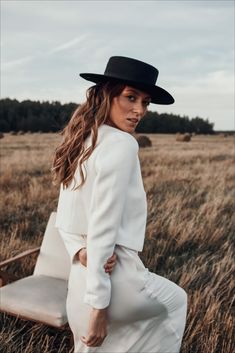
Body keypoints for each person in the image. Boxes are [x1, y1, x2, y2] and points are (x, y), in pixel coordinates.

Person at [52, 56, 188, 353]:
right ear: (106, 93)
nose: (139, 110)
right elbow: (103, 225)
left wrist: (80, 250)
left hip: (78, 281)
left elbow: (64, 215)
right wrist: (99, 308)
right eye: (130, 97)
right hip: (114, 284)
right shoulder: (123, 144)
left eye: (145, 102)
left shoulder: (80, 141)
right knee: (177, 303)